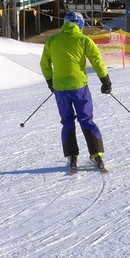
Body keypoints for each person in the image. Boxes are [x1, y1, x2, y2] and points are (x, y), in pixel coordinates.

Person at [41, 11, 112, 173]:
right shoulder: (84, 40)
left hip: (60, 89)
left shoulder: (52, 41)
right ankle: (97, 154)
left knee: (67, 121)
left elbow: (44, 63)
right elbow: (97, 61)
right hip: (79, 87)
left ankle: (72, 156)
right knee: (86, 119)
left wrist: (50, 81)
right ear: (79, 24)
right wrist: (105, 81)